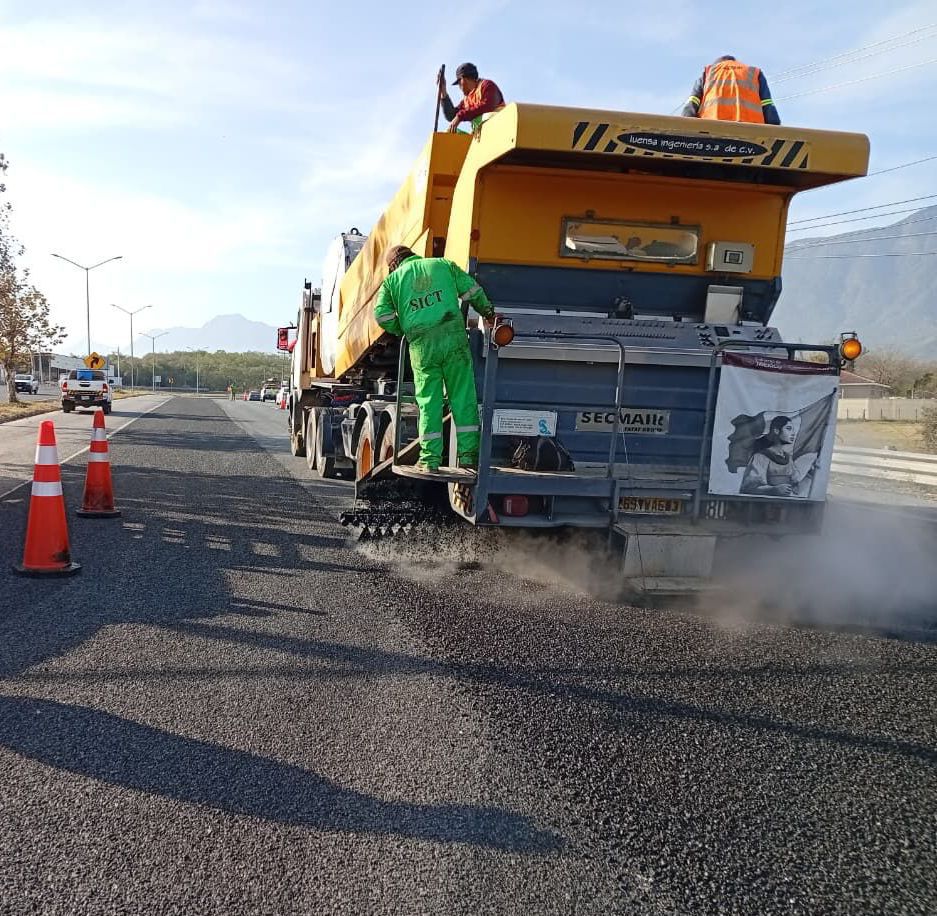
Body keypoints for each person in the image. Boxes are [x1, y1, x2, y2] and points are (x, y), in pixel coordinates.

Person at [374, 245, 496, 471]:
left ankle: (430, 460)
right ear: (412, 255)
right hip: (454, 339)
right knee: (462, 396)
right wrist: (489, 313)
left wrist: (404, 329)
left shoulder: (392, 282)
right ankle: (469, 457)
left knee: (429, 401)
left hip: (422, 346)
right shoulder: (443, 265)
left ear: (393, 266)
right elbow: (473, 291)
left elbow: (381, 314)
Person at [682, 56, 780, 125]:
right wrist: (775, 129)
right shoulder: (754, 73)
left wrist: (684, 127)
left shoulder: (709, 72)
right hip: (751, 130)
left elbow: (692, 103)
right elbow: (767, 104)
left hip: (711, 127)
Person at [740, 415, 813, 497]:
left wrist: (810, 474)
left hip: (785, 506)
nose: (793, 433)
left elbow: (795, 486)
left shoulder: (787, 458)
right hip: (764, 506)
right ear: (776, 431)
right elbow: (749, 488)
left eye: (793, 430)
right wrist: (773, 489)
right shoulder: (760, 457)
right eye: (788, 429)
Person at [438, 62, 505, 134]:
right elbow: (451, 115)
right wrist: (443, 91)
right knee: (450, 133)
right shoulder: (467, 100)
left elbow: (487, 106)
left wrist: (460, 116)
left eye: (459, 82)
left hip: (498, 128)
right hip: (481, 136)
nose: (459, 86)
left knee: (484, 117)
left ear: (463, 79)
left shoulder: (487, 86)